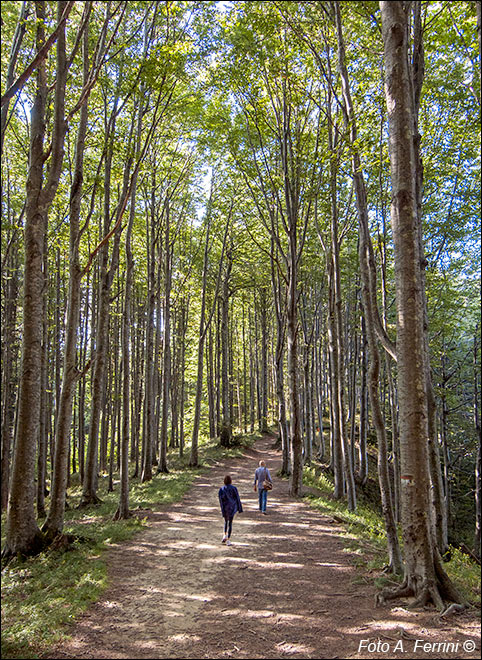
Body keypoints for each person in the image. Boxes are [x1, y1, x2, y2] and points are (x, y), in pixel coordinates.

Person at [218, 474, 243, 545]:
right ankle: (228, 539)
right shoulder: (234, 488)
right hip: (232, 507)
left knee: (226, 521)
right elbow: (237, 498)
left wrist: (222, 508)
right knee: (230, 523)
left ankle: (224, 535)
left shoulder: (222, 489)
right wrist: (239, 508)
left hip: (225, 508)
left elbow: (220, 500)